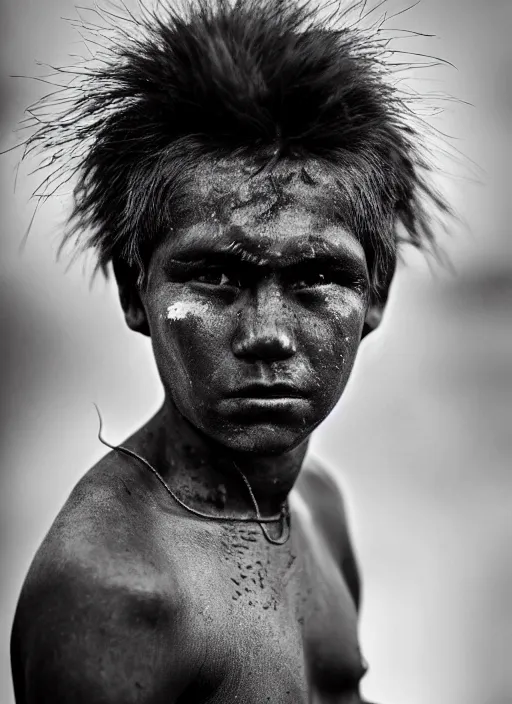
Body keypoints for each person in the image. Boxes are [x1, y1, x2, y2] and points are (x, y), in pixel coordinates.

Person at [10, 0, 447, 701]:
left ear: (376, 294)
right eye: (215, 275)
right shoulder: (119, 593)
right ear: (135, 290)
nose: (266, 333)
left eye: (316, 277)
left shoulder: (314, 504)